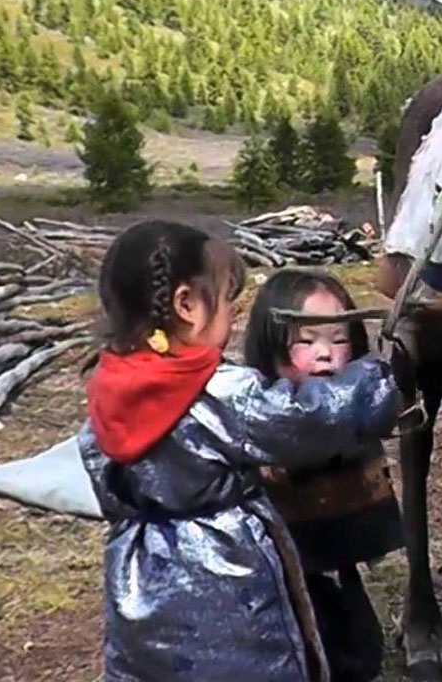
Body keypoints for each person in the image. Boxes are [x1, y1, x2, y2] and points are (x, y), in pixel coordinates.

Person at [77, 220, 402, 682]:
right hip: (224, 571)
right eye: (227, 299)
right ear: (187, 305)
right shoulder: (216, 393)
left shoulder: (109, 387)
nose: (232, 314)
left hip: (139, 573)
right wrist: (379, 377)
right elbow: (308, 417)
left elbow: (100, 472)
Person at [244, 269, 406, 682]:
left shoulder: (355, 396)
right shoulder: (264, 408)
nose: (326, 354)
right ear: (273, 342)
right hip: (288, 560)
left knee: (359, 642)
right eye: (307, 340)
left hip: (340, 544)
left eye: (339, 340)